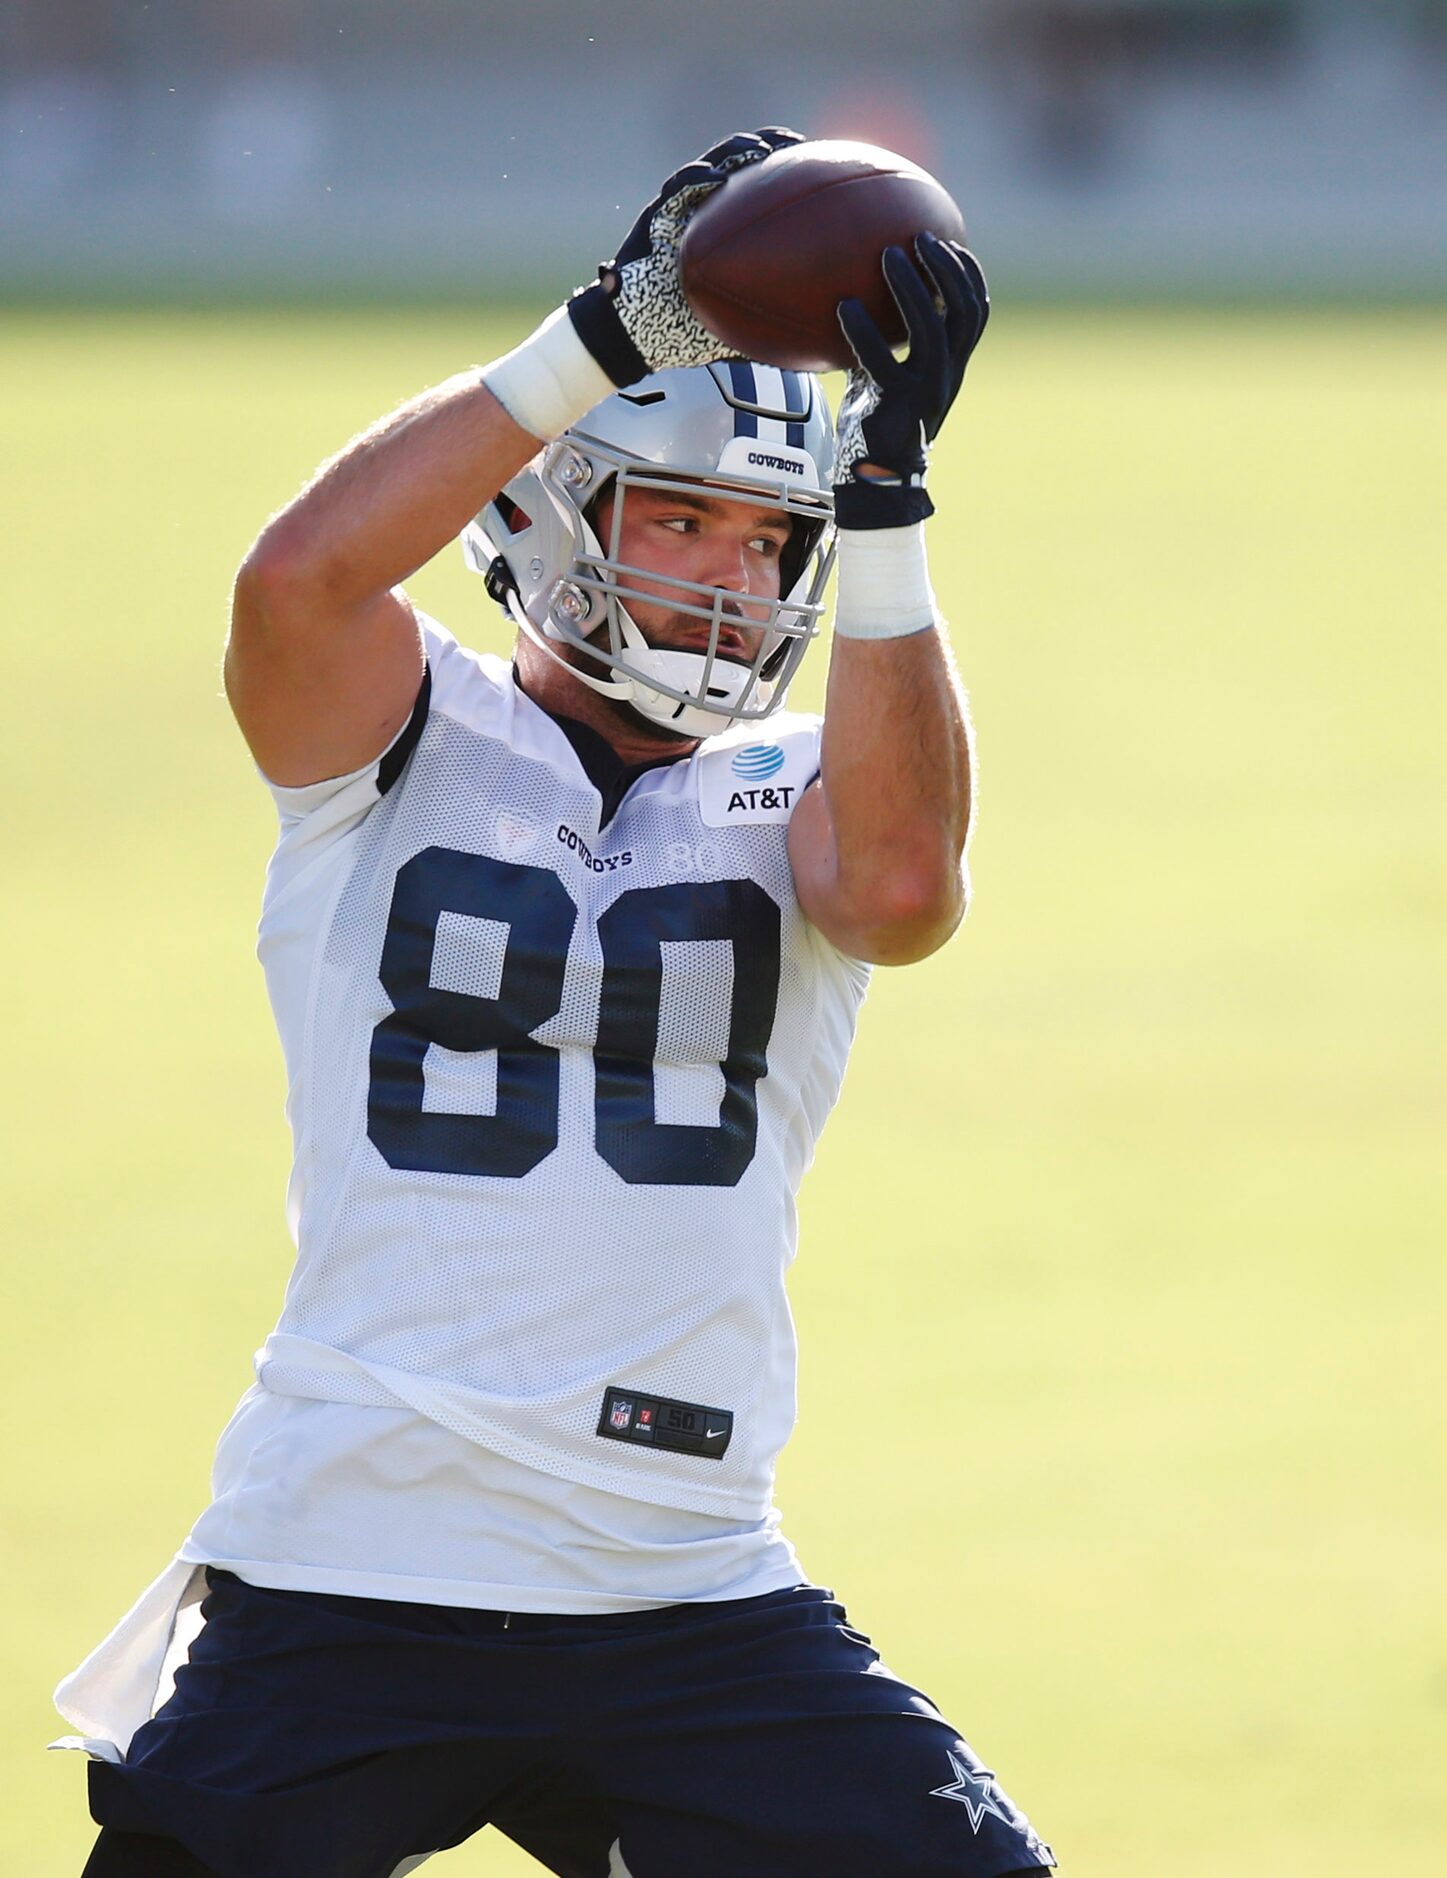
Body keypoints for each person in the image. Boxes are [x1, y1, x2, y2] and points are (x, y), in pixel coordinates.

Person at [56, 128, 1054, 1878]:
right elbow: (294, 583)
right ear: (540, 504)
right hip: (350, 1557)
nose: (728, 577)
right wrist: (604, 334)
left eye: (769, 541)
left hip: (679, 1577)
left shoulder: (812, 780)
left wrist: (886, 496)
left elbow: (901, 896)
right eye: (678, 514)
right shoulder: (392, 732)